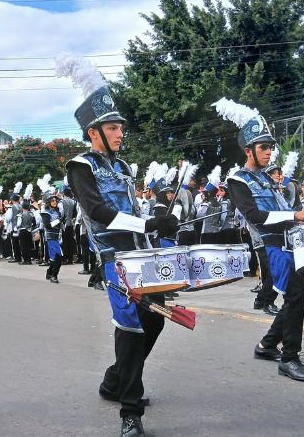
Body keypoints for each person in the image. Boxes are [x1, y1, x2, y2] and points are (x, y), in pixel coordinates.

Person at [62, 62, 178, 437]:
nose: (120, 133)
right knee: (129, 329)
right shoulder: (80, 166)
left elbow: (132, 209)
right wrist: (145, 224)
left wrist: (158, 216)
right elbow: (97, 211)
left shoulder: (124, 166)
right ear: (93, 132)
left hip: (141, 257)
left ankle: (115, 380)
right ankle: (130, 413)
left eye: (121, 127)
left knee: (155, 319)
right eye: (113, 127)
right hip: (114, 261)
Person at [218, 98, 304, 383]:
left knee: (295, 297)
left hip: (289, 244)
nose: (269, 152)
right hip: (270, 247)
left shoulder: (269, 180)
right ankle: (289, 358)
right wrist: (295, 214)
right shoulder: (238, 181)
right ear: (249, 150)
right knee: (297, 296)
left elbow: (287, 215)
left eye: (270, 147)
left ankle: (267, 345)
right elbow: (254, 215)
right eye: (263, 147)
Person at [41, 192, 63, 283]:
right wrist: (58, 220)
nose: (55, 202)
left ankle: (50, 273)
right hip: (50, 237)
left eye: (55, 200)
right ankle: (54, 275)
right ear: (48, 202)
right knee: (59, 256)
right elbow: (48, 226)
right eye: (52, 200)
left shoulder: (58, 211)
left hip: (58, 236)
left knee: (56, 257)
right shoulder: (45, 213)